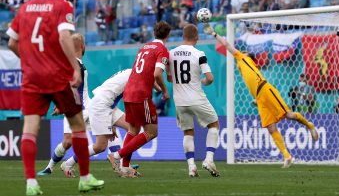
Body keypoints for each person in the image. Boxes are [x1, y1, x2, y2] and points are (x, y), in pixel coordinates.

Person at [6, 0, 104, 195]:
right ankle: (85, 178)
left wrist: (30, 60)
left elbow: (12, 42)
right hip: (57, 75)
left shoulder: (24, 8)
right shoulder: (62, 6)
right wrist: (72, 67)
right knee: (78, 124)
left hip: (32, 77)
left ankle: (31, 183)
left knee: (30, 129)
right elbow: (63, 37)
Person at [203, 23, 319, 168]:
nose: (241, 52)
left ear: (248, 57)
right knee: (270, 127)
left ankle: (309, 125)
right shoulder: (244, 65)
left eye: (244, 52)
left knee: (288, 115)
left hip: (266, 90)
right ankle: (287, 156)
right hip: (259, 97)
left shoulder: (243, 58)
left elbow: (226, 44)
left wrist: (214, 34)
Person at [108, 21, 170, 178]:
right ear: (168, 35)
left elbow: (144, 72)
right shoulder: (162, 49)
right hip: (141, 95)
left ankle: (125, 168)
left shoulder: (144, 47)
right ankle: (116, 156)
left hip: (129, 91)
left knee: (133, 129)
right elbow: (156, 73)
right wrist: (164, 90)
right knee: (151, 132)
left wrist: (155, 87)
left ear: (154, 33)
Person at [60, 69, 140, 175]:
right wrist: (110, 121)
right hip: (101, 105)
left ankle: (123, 164)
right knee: (100, 146)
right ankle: (68, 163)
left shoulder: (131, 71)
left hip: (105, 103)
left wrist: (111, 122)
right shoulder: (136, 75)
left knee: (132, 128)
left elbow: (111, 91)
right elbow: (127, 99)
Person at [167, 24, 220, 177]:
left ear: (183, 36)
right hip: (196, 97)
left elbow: (170, 78)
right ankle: (209, 159)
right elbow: (210, 77)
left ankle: (191, 167)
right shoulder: (199, 53)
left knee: (188, 132)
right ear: (196, 37)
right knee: (214, 124)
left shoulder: (171, 54)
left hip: (180, 101)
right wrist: (203, 81)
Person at [36, 33, 92, 177]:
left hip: (87, 108)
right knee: (68, 142)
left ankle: (123, 162)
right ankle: (50, 167)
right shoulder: (74, 64)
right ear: (82, 46)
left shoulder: (75, 62)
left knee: (105, 135)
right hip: (76, 109)